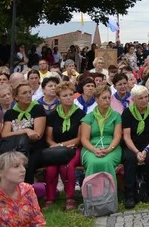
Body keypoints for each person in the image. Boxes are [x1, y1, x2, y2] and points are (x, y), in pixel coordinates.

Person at [43, 81, 83, 211]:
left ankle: (70, 197)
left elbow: (79, 138)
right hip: (56, 149)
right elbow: (48, 138)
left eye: (71, 94)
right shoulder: (53, 115)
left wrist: (62, 146)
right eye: (65, 95)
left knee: (67, 166)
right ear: (59, 98)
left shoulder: (80, 114)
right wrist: (58, 147)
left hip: (74, 148)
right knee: (50, 168)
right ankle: (50, 198)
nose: (69, 97)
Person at [121, 85, 149, 208]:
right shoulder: (127, 112)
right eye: (140, 98)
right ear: (133, 100)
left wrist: (146, 149)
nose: (144, 100)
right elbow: (126, 136)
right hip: (132, 144)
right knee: (129, 159)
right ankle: (130, 195)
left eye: (146, 97)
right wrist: (137, 152)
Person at [1, 81, 46, 183]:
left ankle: (26, 194)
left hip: (35, 147)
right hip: (15, 147)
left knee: (26, 164)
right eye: (24, 93)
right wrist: (26, 130)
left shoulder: (37, 108)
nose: (28, 95)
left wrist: (21, 133)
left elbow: (37, 135)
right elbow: (4, 134)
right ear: (16, 97)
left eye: (29, 92)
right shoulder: (10, 113)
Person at [80, 84, 123, 184]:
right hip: (91, 148)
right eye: (104, 98)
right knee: (93, 162)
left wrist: (109, 149)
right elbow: (84, 139)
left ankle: (109, 193)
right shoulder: (88, 117)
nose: (107, 100)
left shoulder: (116, 116)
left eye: (109, 97)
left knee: (106, 161)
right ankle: (92, 193)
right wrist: (94, 150)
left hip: (112, 147)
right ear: (96, 99)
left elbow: (117, 136)